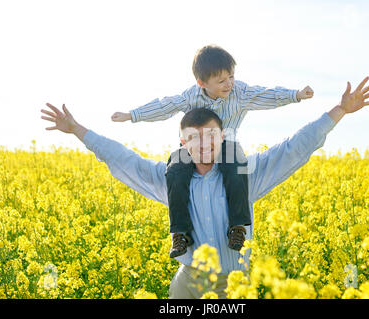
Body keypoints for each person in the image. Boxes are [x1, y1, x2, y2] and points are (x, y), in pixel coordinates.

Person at [40, 76, 369, 298]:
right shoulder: (169, 178)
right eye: (194, 138)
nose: (203, 144)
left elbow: (295, 147)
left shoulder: (244, 174)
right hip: (189, 281)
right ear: (182, 141)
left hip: (236, 285)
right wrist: (77, 130)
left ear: (222, 137)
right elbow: (123, 158)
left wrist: (339, 111)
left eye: (211, 136)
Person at [110, 45, 315, 258]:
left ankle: (237, 228)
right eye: (221, 81)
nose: (229, 84)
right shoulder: (191, 96)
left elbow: (267, 95)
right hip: (192, 147)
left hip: (226, 144)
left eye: (231, 77)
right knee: (175, 171)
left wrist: (296, 95)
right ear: (202, 83)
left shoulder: (240, 92)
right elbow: (165, 106)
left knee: (236, 169)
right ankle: (180, 233)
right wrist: (131, 115)